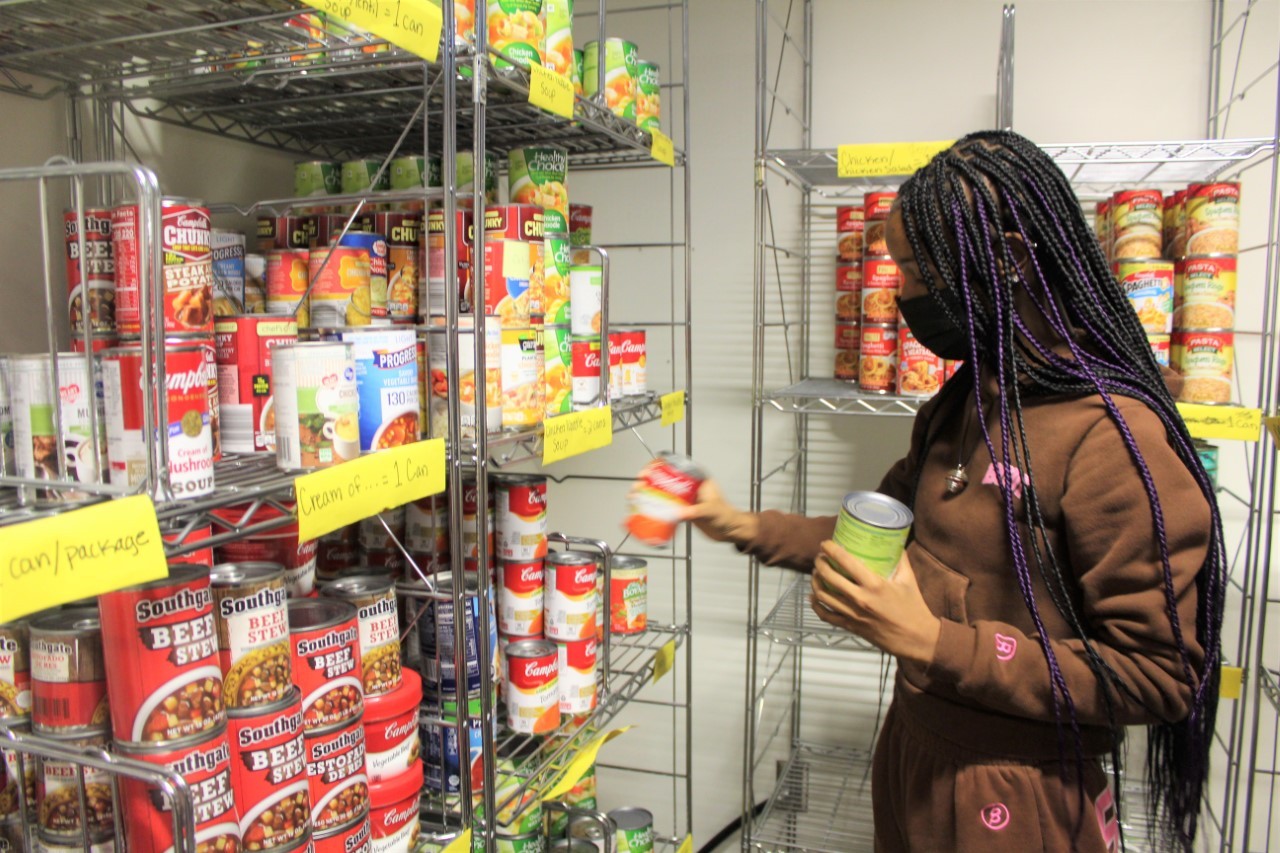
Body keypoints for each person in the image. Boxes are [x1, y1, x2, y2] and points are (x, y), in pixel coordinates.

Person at [685, 131, 1225, 852]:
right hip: (913, 750)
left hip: (1019, 795)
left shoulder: (1114, 438)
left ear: (1005, 259)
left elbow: (1157, 676)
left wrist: (933, 640)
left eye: (913, 268)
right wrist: (739, 524)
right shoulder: (967, 398)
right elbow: (878, 537)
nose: (898, 291)